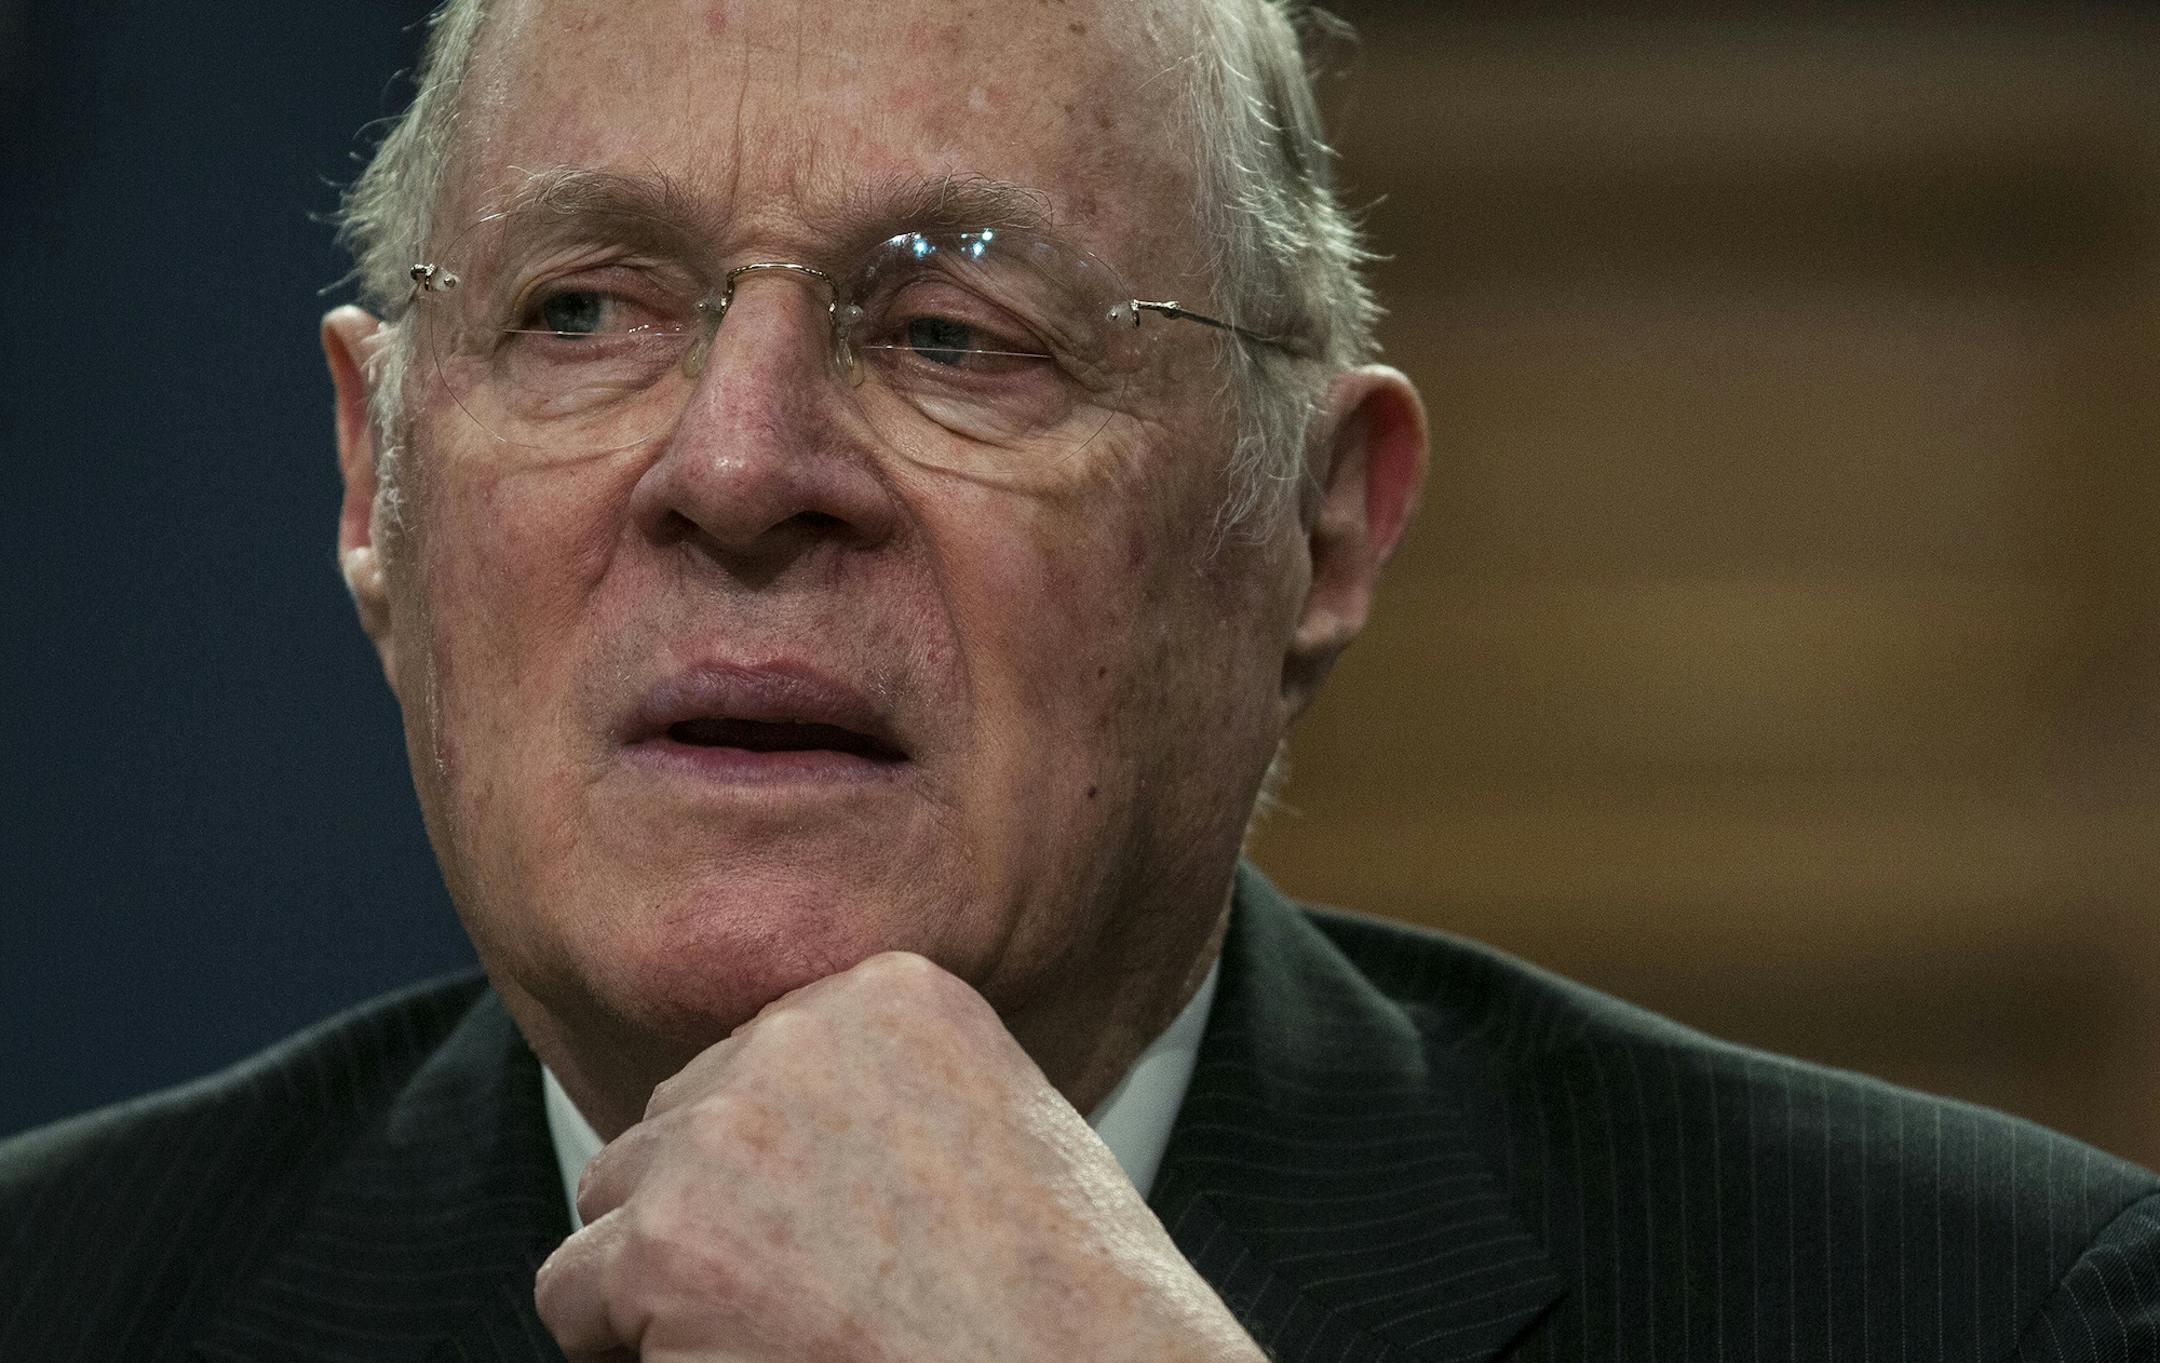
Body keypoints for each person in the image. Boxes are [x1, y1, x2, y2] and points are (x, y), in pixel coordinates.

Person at [3, 0, 2155, 1358]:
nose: (739, 468)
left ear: (1320, 526)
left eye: (954, 331)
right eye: (584, 312)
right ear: (378, 478)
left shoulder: (1991, 1308)